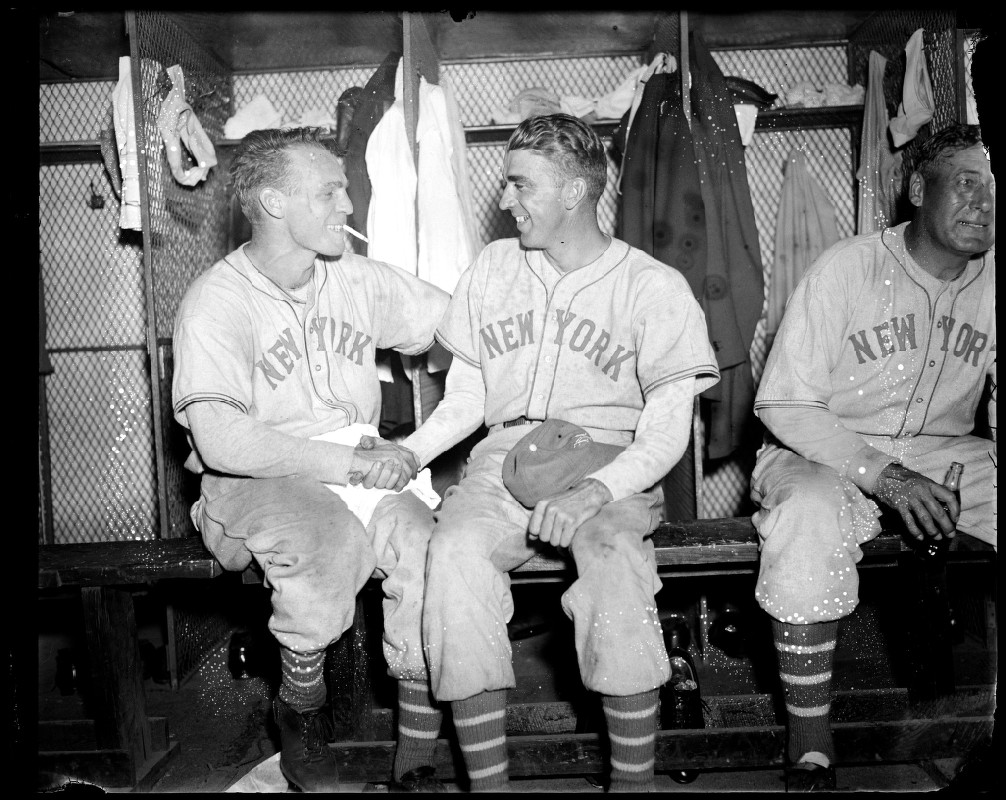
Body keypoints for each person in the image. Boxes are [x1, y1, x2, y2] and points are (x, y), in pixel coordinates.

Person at [393, 113, 720, 792]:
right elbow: (466, 399)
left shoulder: (654, 287)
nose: (505, 199)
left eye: (521, 185)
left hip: (609, 461)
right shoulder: (493, 267)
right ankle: (490, 788)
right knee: (452, 553)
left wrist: (597, 493)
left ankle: (632, 784)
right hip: (504, 458)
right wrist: (408, 452)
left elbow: (666, 432)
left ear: (574, 192)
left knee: (613, 559)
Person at [171, 127, 451, 793]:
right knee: (328, 544)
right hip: (253, 479)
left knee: (426, 548)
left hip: (356, 463)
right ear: (274, 203)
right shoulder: (216, 300)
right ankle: (301, 722)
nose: (348, 205)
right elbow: (223, 441)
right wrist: (349, 463)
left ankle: (416, 754)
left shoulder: (353, 277)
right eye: (330, 192)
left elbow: (460, 323)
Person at [750, 123, 996, 792]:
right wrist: (883, 475)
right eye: (966, 182)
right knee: (807, 514)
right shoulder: (848, 267)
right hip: (821, 446)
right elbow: (784, 404)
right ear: (918, 188)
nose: (983, 202)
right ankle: (810, 746)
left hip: (944, 454)